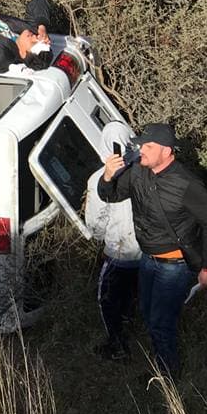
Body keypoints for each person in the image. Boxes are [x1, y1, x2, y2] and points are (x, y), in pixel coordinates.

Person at [97, 122, 207, 378]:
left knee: (159, 321)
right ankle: (163, 363)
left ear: (167, 151)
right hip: (148, 260)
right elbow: (110, 196)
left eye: (149, 146)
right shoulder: (137, 172)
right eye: (142, 144)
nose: (142, 149)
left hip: (175, 266)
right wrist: (107, 176)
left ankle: (168, 375)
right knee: (147, 311)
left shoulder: (186, 184)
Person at [85, 122, 141, 361]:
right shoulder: (144, 169)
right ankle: (135, 331)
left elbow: (96, 225)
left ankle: (117, 345)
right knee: (135, 296)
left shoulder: (99, 179)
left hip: (118, 255)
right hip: (148, 252)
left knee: (107, 301)